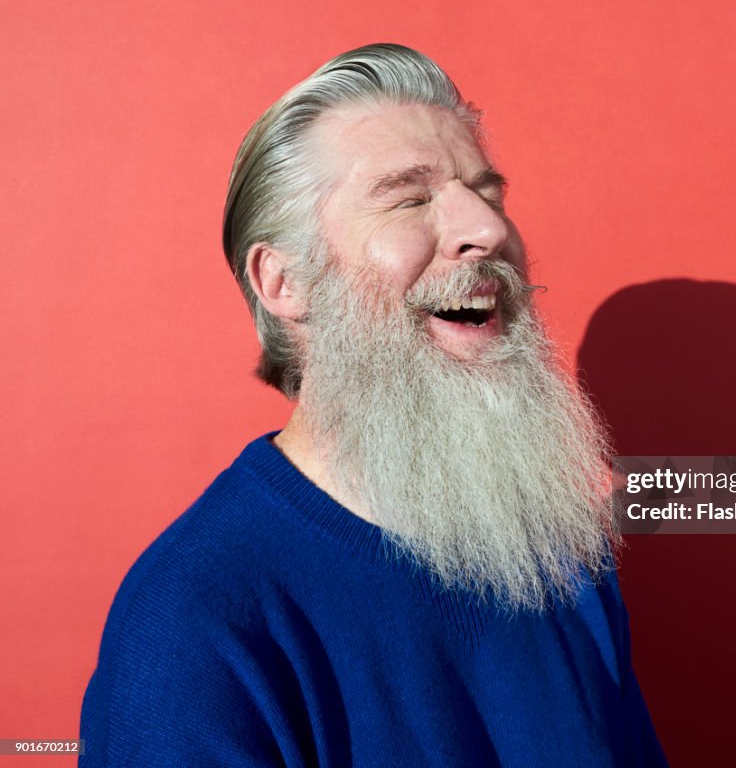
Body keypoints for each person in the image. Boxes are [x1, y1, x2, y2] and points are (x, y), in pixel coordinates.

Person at [80, 44, 665, 767]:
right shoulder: (198, 618)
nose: (485, 228)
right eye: (409, 198)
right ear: (284, 280)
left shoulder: (558, 554)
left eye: (488, 192)